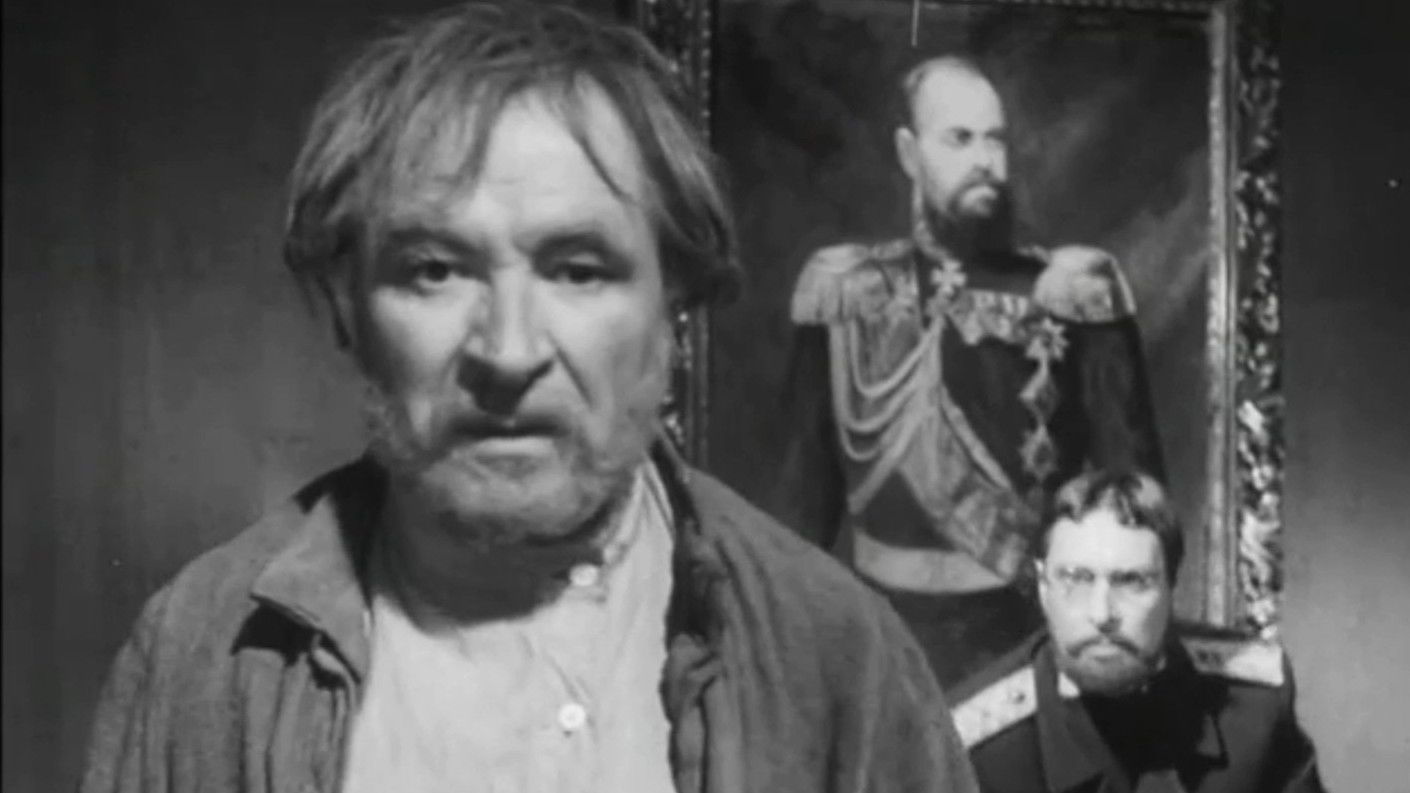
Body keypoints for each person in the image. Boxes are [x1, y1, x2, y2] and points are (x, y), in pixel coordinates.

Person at [78, 4, 981, 792]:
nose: (507, 351)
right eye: (434, 269)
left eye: (578, 269)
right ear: (345, 308)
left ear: (675, 304)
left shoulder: (838, 655)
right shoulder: (205, 653)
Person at [779, 55, 1165, 688]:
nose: (987, 160)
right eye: (959, 139)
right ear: (909, 154)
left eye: (996, 139)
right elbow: (801, 515)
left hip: (1028, 639)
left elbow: (1139, 510)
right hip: (880, 640)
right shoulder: (846, 292)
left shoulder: (1072, 292)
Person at [949, 470, 1324, 793]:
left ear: (1171, 588)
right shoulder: (979, 749)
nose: (1102, 614)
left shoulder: (1253, 709)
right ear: (1044, 589)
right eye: (1076, 579)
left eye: (1131, 582)